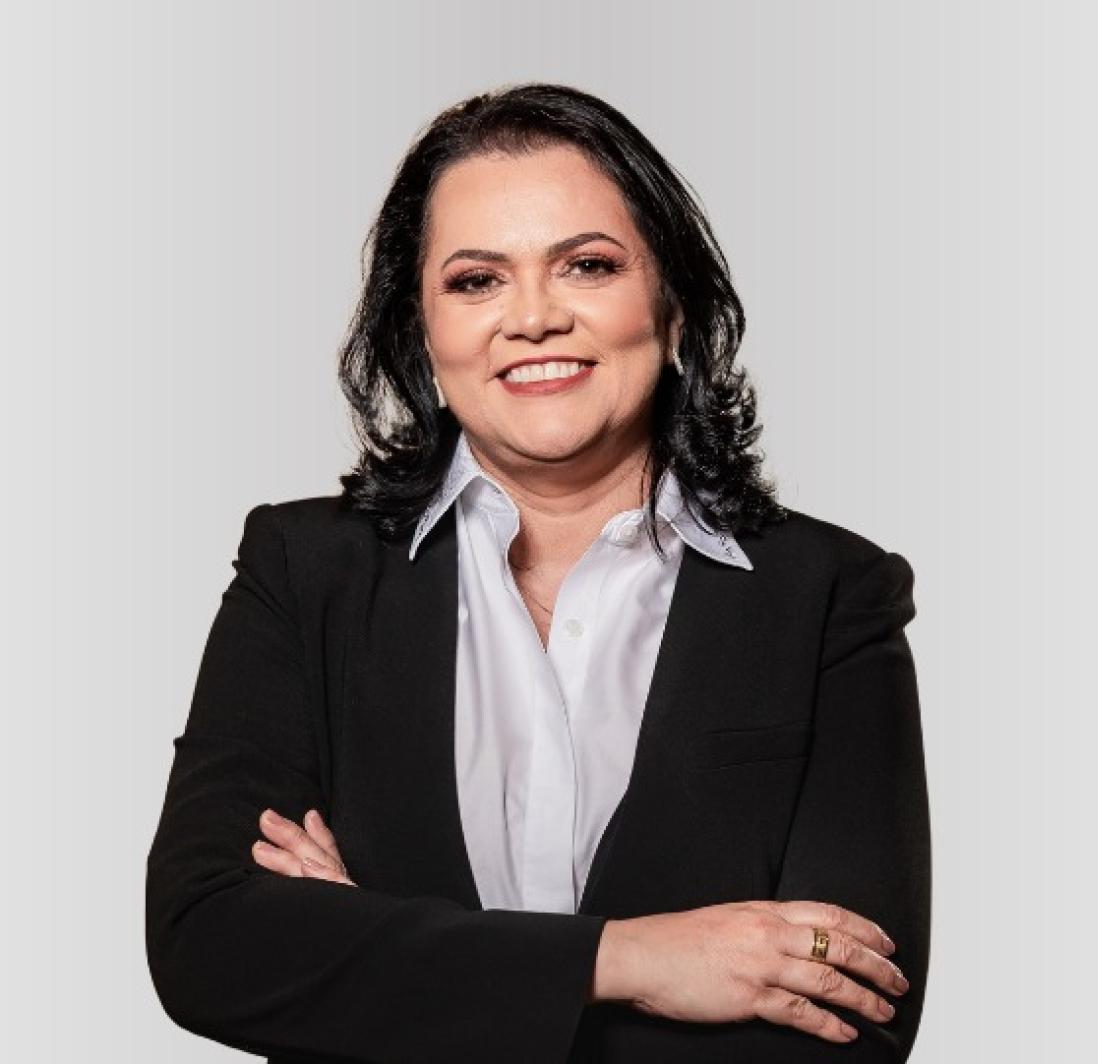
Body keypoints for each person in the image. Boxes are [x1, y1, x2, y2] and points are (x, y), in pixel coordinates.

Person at [145, 82, 931, 1064]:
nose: (531, 318)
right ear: (421, 330)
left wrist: (376, 961)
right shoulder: (304, 573)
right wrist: (634, 959)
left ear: (672, 308)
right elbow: (209, 944)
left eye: (588, 266)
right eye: (476, 280)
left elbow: (849, 1021)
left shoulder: (829, 594)